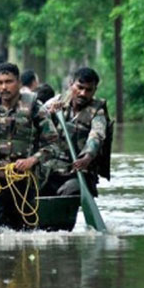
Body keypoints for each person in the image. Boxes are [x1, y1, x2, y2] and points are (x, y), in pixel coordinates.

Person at [0, 62, 59, 228]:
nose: (4, 87)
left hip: (23, 176)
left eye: (8, 82)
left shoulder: (35, 108)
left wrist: (32, 160)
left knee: (25, 225)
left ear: (18, 83)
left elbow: (53, 145)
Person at [42, 67, 110, 197]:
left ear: (95, 90)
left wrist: (88, 157)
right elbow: (32, 124)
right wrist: (48, 115)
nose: (83, 93)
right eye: (79, 87)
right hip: (51, 171)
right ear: (71, 84)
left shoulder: (98, 112)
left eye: (88, 90)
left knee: (69, 191)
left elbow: (97, 135)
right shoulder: (55, 102)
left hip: (78, 173)